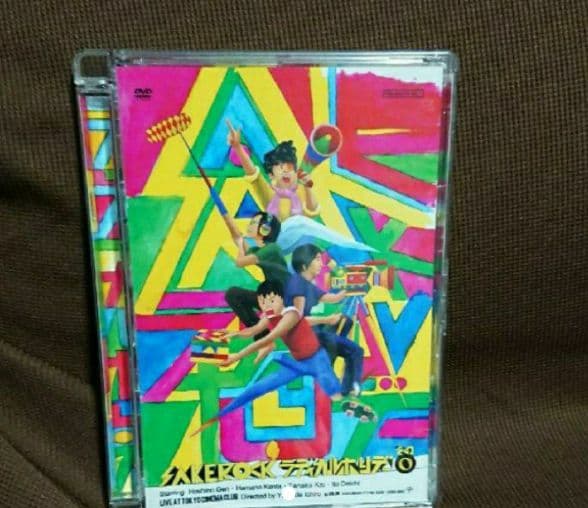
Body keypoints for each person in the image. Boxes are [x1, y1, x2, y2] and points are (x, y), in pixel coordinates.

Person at [286, 244, 365, 397]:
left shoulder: (307, 284)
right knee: (356, 350)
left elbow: (334, 298)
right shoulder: (297, 284)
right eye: (317, 259)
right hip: (303, 336)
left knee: (346, 321)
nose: (321, 264)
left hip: (312, 332)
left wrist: (353, 286)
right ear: (304, 264)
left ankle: (330, 362)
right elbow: (297, 321)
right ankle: (349, 388)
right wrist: (327, 320)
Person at [226, 120, 319, 221]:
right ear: (271, 175)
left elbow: (312, 211)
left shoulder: (302, 191)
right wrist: (237, 147)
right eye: (281, 168)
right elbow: (253, 174)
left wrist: (308, 187)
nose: (286, 172)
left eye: (289, 167)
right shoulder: (269, 193)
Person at [224, 212, 289, 340]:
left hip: (285, 302)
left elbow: (240, 262)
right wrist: (226, 217)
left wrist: (240, 245)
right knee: (233, 294)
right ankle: (262, 335)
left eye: (254, 223)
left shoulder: (272, 249)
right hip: (271, 299)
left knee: (234, 294)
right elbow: (238, 238)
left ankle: (262, 335)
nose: (250, 225)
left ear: (265, 229)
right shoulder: (261, 250)